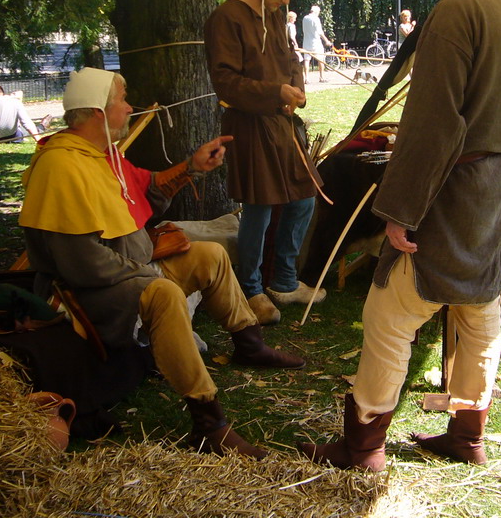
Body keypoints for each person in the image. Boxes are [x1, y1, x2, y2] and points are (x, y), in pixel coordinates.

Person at [299, 0, 501, 471]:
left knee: (391, 312)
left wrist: (401, 211)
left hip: (456, 187)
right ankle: (467, 434)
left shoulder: (456, 12)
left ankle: (363, 446)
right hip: (500, 184)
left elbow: (433, 125)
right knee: (479, 308)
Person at [19, 67, 305, 459]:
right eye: (122, 100)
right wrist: (146, 273)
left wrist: (192, 166)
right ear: (99, 113)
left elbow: (146, 190)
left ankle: (249, 344)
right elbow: (81, 265)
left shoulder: (103, 156)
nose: (129, 107)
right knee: (164, 294)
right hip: (88, 292)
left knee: (211, 255)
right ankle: (209, 421)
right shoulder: (61, 166)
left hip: (127, 271)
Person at [203, 0, 325, 327]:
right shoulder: (226, 18)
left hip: (281, 123)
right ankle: (251, 288)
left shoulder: (272, 13)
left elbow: (290, 58)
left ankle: (285, 282)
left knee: (304, 198)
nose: (286, 1)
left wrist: (296, 89)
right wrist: (275, 94)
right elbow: (225, 82)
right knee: (259, 206)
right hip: (250, 124)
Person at [301, 3, 332, 82]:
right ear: (316, 12)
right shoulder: (315, 19)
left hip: (306, 42)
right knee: (321, 59)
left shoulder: (305, 18)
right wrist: (327, 41)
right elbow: (320, 32)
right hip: (315, 42)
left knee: (307, 60)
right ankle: (321, 77)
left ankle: (306, 78)